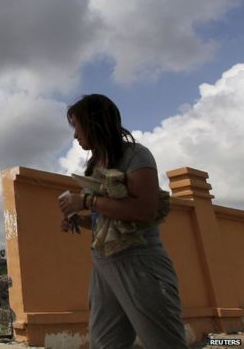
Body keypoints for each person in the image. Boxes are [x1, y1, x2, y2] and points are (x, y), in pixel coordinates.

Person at [58, 94, 187, 348]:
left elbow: (143, 211)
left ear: (94, 123)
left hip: (139, 263)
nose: (75, 135)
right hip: (104, 265)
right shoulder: (96, 164)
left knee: (164, 342)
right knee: (106, 344)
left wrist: (85, 202)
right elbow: (110, 219)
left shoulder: (136, 155)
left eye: (77, 126)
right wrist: (80, 220)